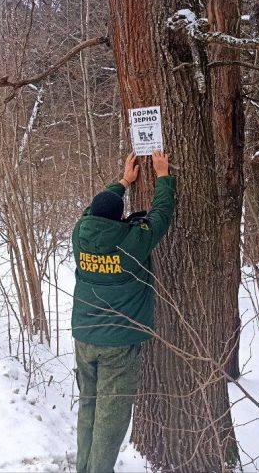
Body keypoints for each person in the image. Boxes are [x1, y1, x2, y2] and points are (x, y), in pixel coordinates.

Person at [71, 150, 175, 473]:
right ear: (117, 220)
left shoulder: (80, 234)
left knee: (89, 406)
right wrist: (164, 177)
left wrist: (122, 183)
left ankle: (84, 468)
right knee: (110, 419)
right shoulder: (132, 243)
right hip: (116, 343)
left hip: (84, 338)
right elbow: (160, 217)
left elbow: (93, 209)